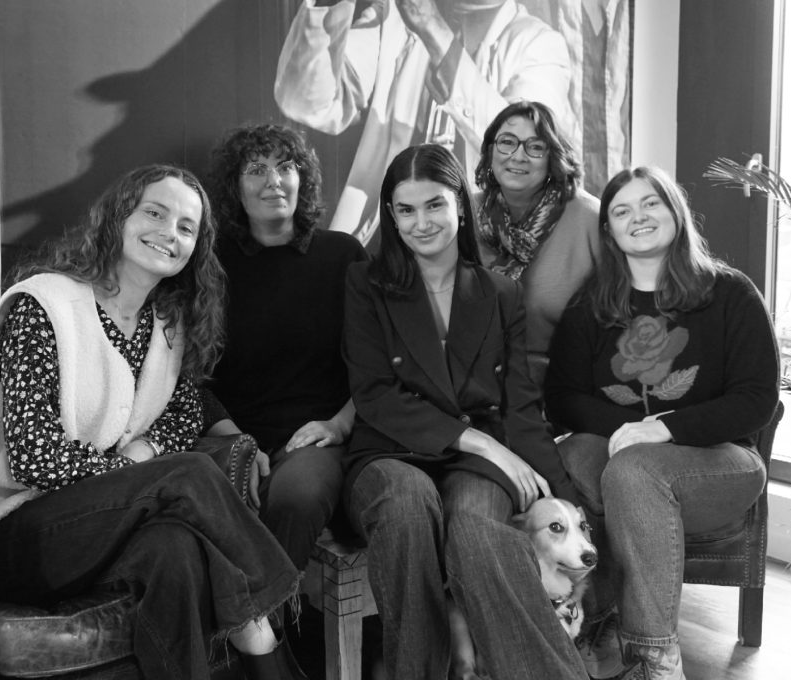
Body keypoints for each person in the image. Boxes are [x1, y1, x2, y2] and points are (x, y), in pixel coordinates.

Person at [0, 164, 304, 680]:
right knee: (190, 472)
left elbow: (185, 412)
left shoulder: (167, 325)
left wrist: (143, 455)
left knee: (174, 550)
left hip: (90, 525)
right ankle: (268, 627)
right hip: (0, 533)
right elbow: (32, 456)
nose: (169, 232)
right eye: (154, 213)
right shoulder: (42, 306)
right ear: (118, 217)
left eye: (186, 227)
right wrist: (133, 475)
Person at [342, 143, 587, 680]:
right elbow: (375, 394)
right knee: (407, 505)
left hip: (477, 465)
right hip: (389, 453)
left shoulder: (501, 293)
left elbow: (521, 405)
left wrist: (563, 492)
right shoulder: (365, 284)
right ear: (391, 216)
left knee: (476, 528)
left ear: (459, 203)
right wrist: (483, 442)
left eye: (434, 204)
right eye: (406, 210)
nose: (421, 222)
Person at [544, 166, 779, 680]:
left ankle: (654, 659)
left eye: (650, 203)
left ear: (675, 211)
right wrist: (630, 431)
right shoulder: (590, 305)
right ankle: (584, 620)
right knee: (570, 458)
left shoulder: (730, 294)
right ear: (609, 230)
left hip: (720, 461)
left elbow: (757, 400)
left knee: (633, 472)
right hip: (618, 457)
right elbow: (561, 399)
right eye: (622, 210)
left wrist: (664, 427)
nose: (639, 217)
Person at [202, 124, 366, 573]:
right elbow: (190, 377)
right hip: (231, 434)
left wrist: (339, 425)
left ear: (302, 179)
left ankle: (269, 614)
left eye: (286, 167)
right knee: (205, 500)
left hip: (316, 437)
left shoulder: (342, 255)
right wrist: (236, 442)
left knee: (297, 496)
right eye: (256, 169)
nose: (273, 180)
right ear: (234, 187)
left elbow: (381, 362)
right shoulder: (210, 265)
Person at [275, 0, 574, 245]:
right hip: (386, 243)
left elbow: (521, 148)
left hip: (477, 253)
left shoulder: (539, 44)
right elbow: (304, 103)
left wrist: (433, 30)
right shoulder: (395, 18)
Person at [474, 99, 600, 383]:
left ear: (553, 157)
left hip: (565, 385)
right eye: (507, 142)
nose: (518, 156)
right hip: (473, 384)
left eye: (535, 147)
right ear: (490, 150)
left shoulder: (590, 219)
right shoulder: (463, 214)